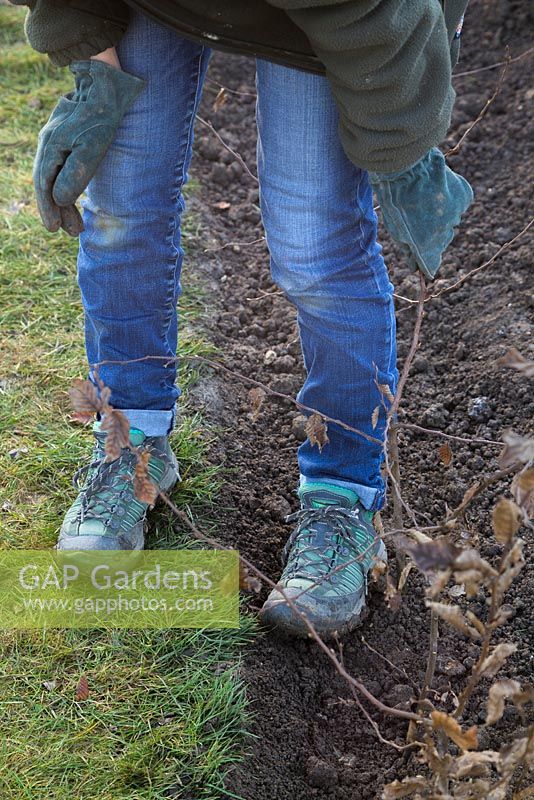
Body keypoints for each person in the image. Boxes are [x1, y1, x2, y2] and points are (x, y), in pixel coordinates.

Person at [14, 0, 473, 638]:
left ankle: (342, 498)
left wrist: (401, 149)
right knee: (123, 210)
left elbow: (372, 15)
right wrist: (94, 72)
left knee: (315, 246)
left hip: (339, 16)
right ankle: (131, 444)